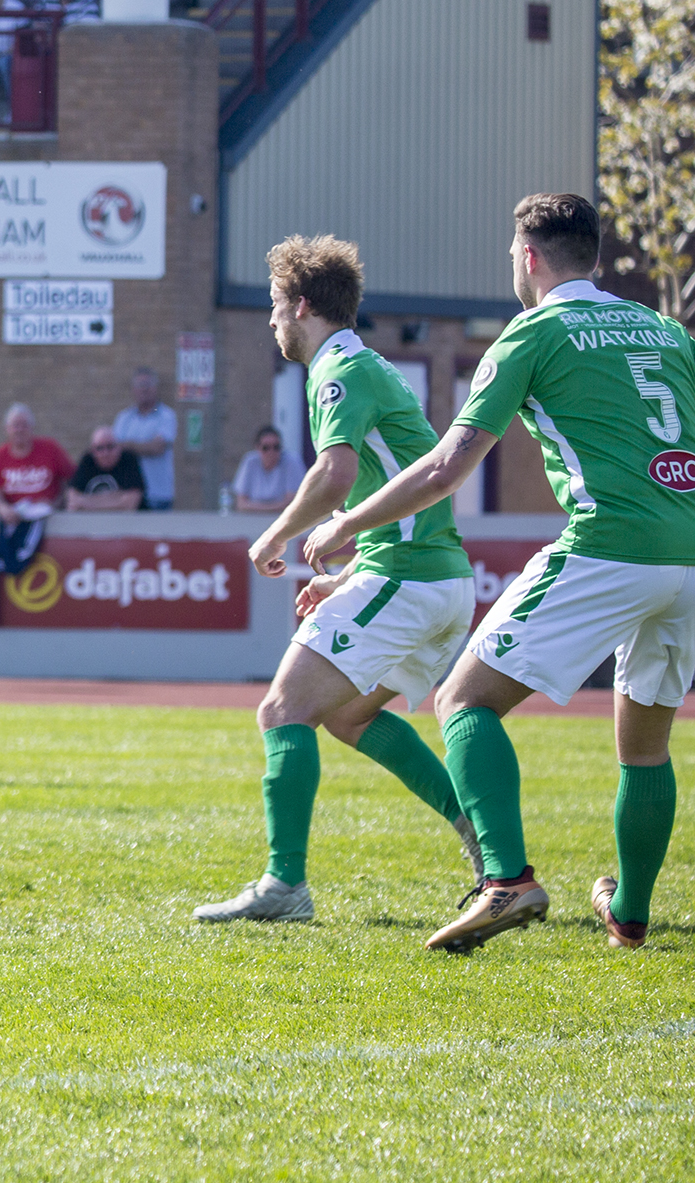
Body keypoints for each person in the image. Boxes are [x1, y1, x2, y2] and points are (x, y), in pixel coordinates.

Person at [304, 194, 695, 953]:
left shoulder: (531, 334)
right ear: (595, 254)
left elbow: (449, 467)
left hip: (609, 539)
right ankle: (630, 914)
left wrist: (349, 522)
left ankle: (507, 880)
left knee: (464, 699)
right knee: (646, 745)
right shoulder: (665, 331)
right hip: (689, 552)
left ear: (528, 258)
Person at [194, 234, 483, 925]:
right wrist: (352, 569)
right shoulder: (363, 366)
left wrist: (275, 534)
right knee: (350, 715)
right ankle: (490, 847)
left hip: (410, 580)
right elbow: (404, 492)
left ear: (301, 305)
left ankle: (284, 886)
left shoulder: (336, 371)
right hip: (431, 577)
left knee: (281, 710)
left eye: (273, 307)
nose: (270, 323)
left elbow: (337, 476)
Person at [0, 402, 72, 625]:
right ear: (7, 430)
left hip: (43, 518)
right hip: (12, 518)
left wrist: (57, 502)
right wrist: (3, 509)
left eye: (23, 425)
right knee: (0, 559)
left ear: (31, 427)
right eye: (15, 426)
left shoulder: (50, 449)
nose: (19, 430)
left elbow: (72, 479)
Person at [113, 367, 177, 510]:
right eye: (140, 385)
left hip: (158, 495)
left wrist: (128, 445)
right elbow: (114, 451)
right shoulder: (124, 418)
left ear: (156, 388)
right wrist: (143, 446)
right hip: (127, 496)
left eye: (148, 385)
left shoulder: (166, 416)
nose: (144, 389)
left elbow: (157, 448)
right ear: (133, 390)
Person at [64, 427, 144, 511]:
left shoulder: (128, 459)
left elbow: (131, 503)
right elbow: (72, 501)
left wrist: (86, 501)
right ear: (92, 450)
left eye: (110, 447)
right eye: (99, 448)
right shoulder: (87, 461)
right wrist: (115, 498)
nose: (105, 453)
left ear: (119, 447)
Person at [233, 424, 308, 512]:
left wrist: (254, 506)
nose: (271, 452)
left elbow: (293, 503)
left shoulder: (292, 462)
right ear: (257, 448)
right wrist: (273, 507)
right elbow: (241, 504)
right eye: (266, 448)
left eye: (276, 447)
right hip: (252, 520)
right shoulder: (250, 462)